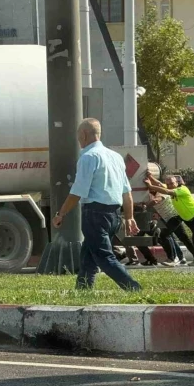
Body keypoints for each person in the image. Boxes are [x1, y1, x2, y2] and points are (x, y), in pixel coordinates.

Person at [52, 118, 142, 291]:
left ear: (84, 135)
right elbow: (127, 192)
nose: (79, 141)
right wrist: (129, 217)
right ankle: (83, 290)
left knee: (103, 257)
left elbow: (77, 192)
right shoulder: (115, 156)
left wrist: (61, 214)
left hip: (94, 213)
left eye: (79, 137)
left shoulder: (88, 157)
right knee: (88, 256)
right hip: (114, 215)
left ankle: (133, 288)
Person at [146, 186, 194, 266]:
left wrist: (145, 206)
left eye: (150, 188)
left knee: (165, 235)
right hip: (167, 220)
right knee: (181, 237)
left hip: (174, 217)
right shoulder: (150, 196)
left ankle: (173, 259)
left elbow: (156, 201)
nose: (149, 190)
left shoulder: (161, 192)